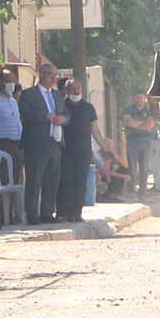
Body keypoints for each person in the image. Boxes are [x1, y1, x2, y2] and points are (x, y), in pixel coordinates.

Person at [18, 61, 65, 224]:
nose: (54, 78)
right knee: (34, 179)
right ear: (42, 75)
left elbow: (67, 115)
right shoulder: (29, 94)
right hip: (36, 143)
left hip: (55, 142)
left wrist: (62, 119)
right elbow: (25, 115)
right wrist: (45, 117)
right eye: (51, 74)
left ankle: (47, 212)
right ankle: (31, 213)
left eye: (56, 75)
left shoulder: (58, 95)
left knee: (52, 179)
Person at [55, 75, 99, 221]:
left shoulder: (88, 107)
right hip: (65, 150)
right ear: (66, 90)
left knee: (80, 183)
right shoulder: (61, 106)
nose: (76, 91)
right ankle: (63, 212)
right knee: (65, 181)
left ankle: (76, 213)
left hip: (83, 151)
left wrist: (103, 143)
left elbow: (95, 129)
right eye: (72, 88)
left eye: (78, 88)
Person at [122, 94, 159, 194]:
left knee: (144, 168)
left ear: (145, 99)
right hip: (132, 142)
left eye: (141, 97)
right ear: (134, 98)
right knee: (132, 168)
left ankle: (143, 192)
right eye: (137, 97)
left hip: (145, 142)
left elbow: (151, 125)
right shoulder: (128, 110)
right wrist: (143, 125)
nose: (139, 99)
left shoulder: (148, 111)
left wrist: (136, 125)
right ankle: (131, 191)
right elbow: (128, 122)